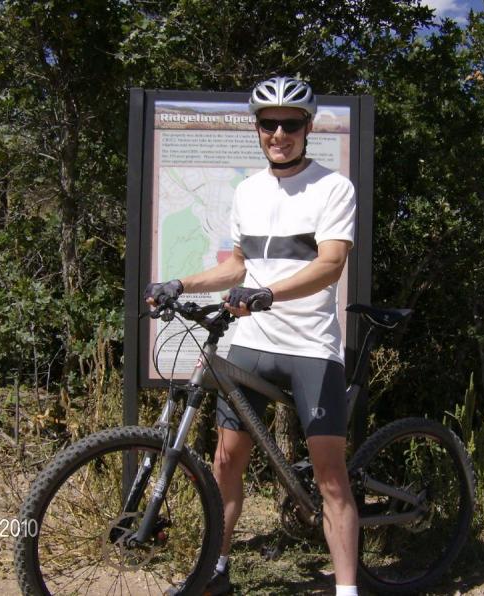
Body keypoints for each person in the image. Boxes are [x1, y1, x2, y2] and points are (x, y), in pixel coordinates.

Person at [145, 76, 358, 596]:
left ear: (308, 128)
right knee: (226, 460)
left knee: (331, 476)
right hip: (252, 343)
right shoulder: (247, 191)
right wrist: (181, 282)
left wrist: (270, 294)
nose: (278, 133)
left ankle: (349, 590)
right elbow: (238, 266)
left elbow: (330, 265)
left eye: (290, 123)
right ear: (257, 128)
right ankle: (216, 569)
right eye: (268, 123)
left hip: (311, 345)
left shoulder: (332, 187)